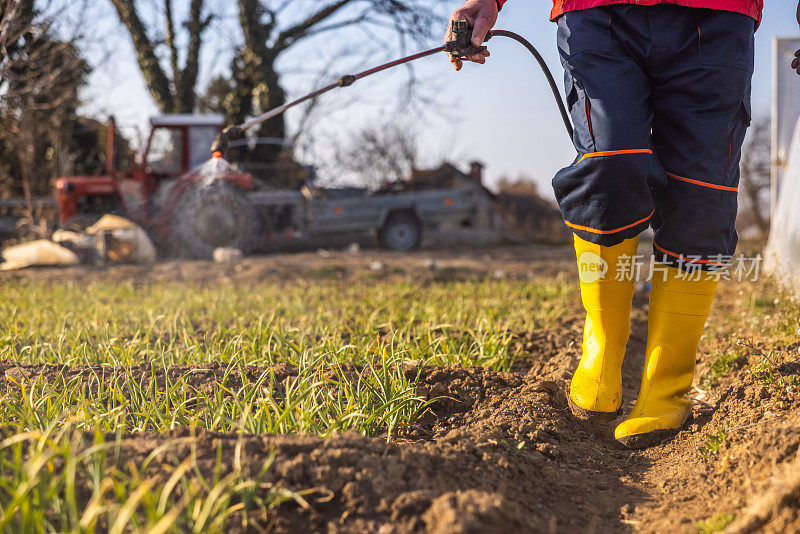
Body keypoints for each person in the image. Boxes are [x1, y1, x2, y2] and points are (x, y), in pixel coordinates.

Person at [446, 0, 777, 448]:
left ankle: (667, 386)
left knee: (702, 196)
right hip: (598, 13)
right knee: (609, 166)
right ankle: (602, 348)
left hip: (719, 17)